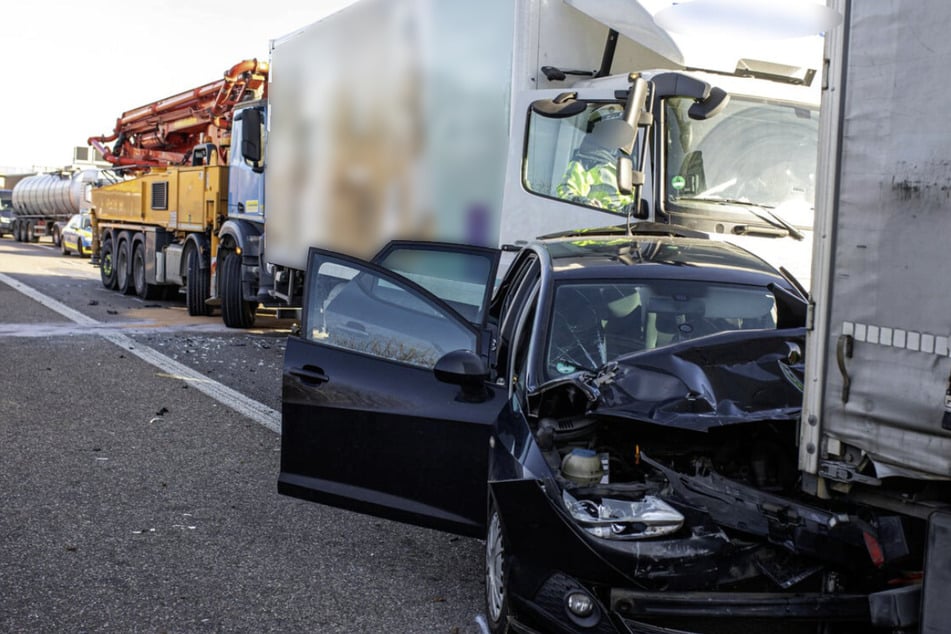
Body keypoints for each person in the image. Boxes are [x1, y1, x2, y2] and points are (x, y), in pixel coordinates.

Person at [557, 116, 636, 212]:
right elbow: (565, 193)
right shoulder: (584, 163)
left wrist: (632, 208)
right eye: (611, 131)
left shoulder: (629, 163)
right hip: (596, 218)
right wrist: (584, 203)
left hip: (628, 218)